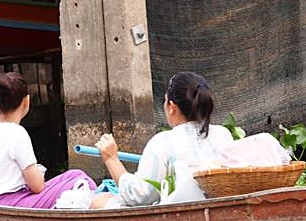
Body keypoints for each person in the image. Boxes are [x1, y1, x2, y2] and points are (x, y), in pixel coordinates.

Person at [0, 71, 96, 208]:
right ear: (26, 101)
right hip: (8, 201)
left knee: (75, 174)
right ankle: (103, 207)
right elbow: (37, 186)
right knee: (81, 182)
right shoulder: (18, 134)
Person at [91, 71, 234, 208]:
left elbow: (139, 197)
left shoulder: (162, 142)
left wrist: (111, 159)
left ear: (171, 107)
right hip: (220, 206)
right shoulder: (223, 134)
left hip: (181, 215)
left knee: (99, 201)